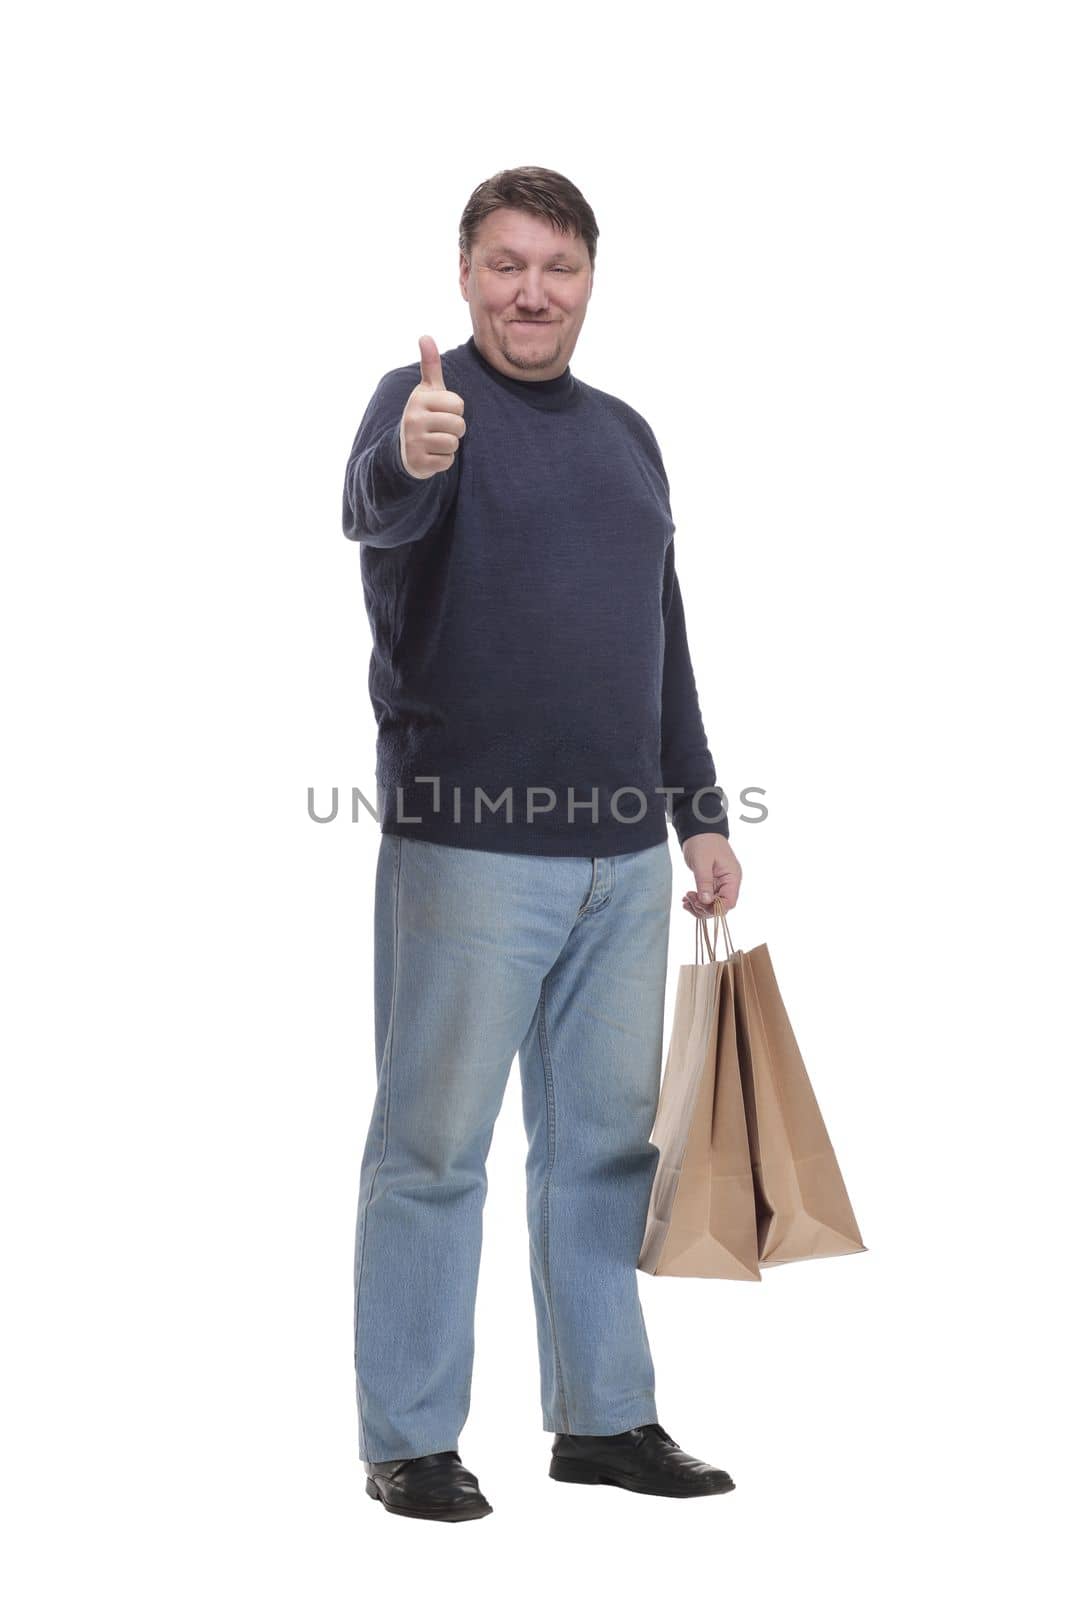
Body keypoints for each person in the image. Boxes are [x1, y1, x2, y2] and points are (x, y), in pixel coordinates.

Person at [341, 166, 743, 1522]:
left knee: (601, 1152)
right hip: (470, 852)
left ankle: (605, 1420)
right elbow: (375, 511)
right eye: (505, 264)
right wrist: (413, 457)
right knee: (433, 1148)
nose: (531, 292)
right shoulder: (424, 408)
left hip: (626, 864)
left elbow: (661, 634)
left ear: (588, 280)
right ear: (466, 276)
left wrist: (698, 807)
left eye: (557, 267)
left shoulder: (628, 434)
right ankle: (408, 1439)